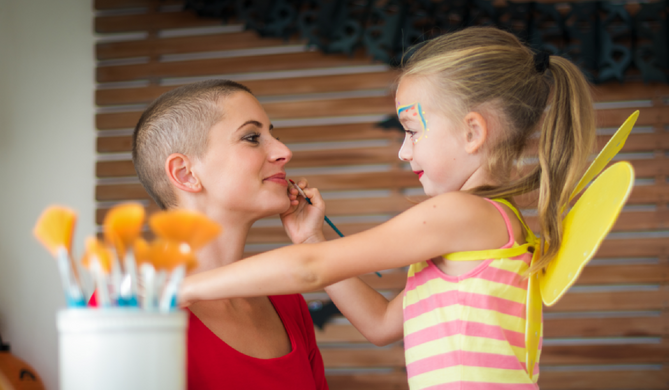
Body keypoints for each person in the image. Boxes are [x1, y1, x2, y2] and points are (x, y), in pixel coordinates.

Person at [179, 26, 596, 389]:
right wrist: (311, 235)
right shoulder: (484, 229)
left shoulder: (462, 214)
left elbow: (311, 268)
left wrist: (187, 288)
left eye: (412, 131)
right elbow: (380, 325)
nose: (402, 151)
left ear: (472, 131)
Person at [130, 80, 329, 390]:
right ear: (185, 173)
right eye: (252, 137)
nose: (284, 152)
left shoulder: (288, 301)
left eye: (274, 135)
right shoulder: (127, 305)